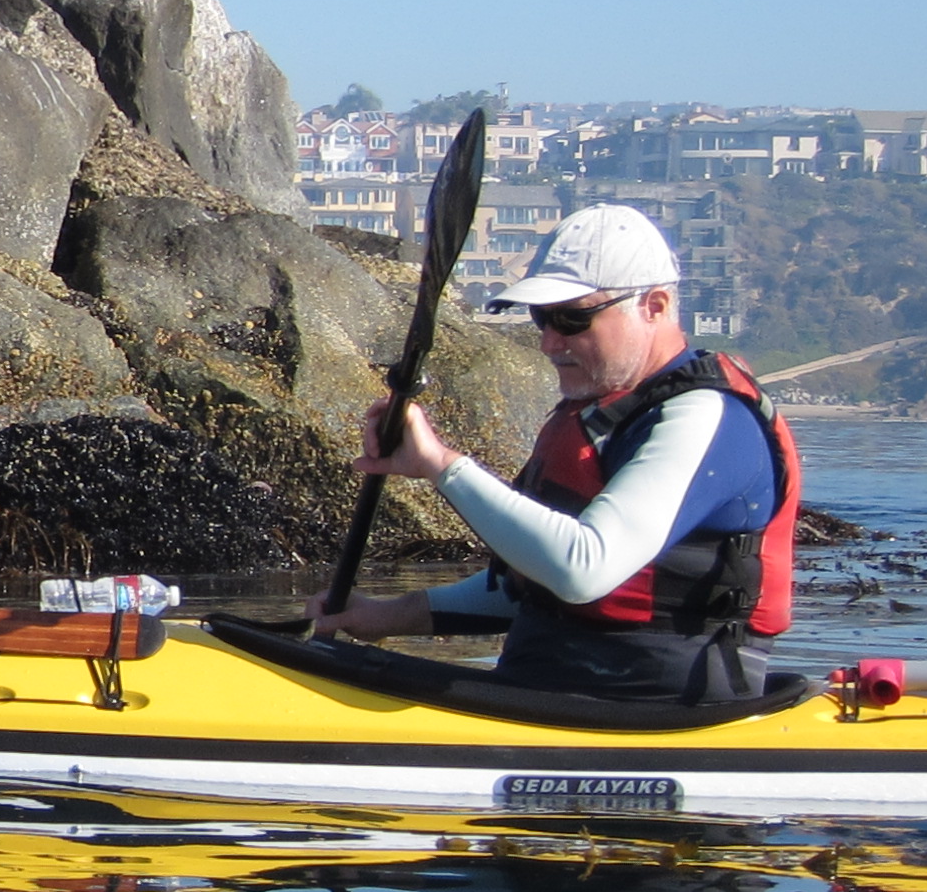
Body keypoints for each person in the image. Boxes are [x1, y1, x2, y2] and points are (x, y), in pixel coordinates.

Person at [306, 203, 800, 701]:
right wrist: (386, 616)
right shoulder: (604, 415)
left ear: (654, 306)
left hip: (661, 710)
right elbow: (529, 587)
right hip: (547, 690)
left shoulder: (705, 418)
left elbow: (583, 569)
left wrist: (440, 464)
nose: (548, 342)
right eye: (542, 318)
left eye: (571, 318)